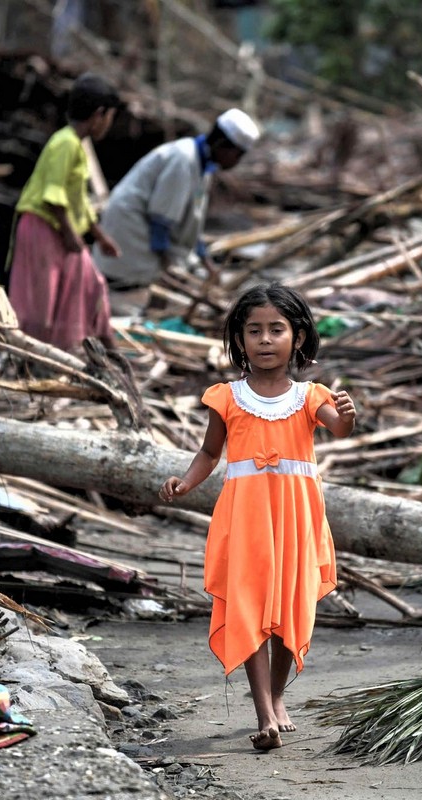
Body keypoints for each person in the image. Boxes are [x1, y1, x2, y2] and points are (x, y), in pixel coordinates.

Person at [158, 283, 356, 751]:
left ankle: (279, 695)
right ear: (239, 339)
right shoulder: (227, 397)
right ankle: (263, 712)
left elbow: (339, 426)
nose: (265, 340)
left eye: (276, 330)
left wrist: (348, 414)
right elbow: (210, 453)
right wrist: (186, 482)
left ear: (299, 337)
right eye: (254, 331)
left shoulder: (310, 395)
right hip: (245, 517)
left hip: (296, 518)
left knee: (293, 605)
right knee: (248, 606)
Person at [93, 108, 260, 302]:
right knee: (121, 291)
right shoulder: (183, 159)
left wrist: (206, 262)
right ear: (223, 145)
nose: (236, 162)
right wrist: (168, 267)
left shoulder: (202, 167)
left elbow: (192, 223)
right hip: (131, 229)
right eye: (237, 155)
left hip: (141, 231)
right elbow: (161, 219)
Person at [7, 74, 122, 352]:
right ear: (99, 115)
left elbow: (77, 199)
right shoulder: (65, 143)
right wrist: (71, 234)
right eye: (109, 118)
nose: (108, 125)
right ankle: (31, 358)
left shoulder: (76, 146)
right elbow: (53, 195)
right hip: (44, 227)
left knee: (90, 285)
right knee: (40, 302)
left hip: (60, 229)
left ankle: (109, 354)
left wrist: (99, 235)